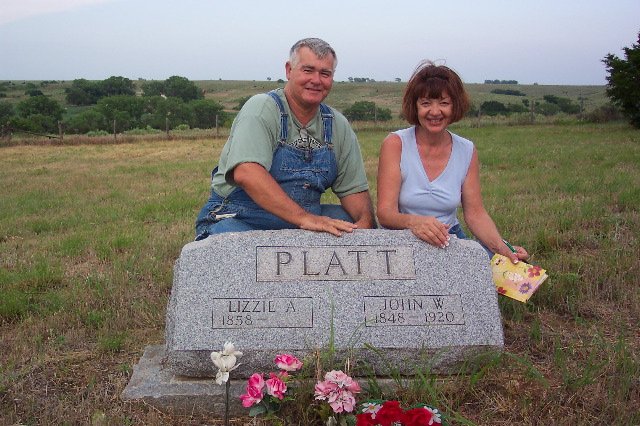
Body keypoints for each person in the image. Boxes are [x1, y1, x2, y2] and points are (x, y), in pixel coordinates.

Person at [195, 38, 375, 240]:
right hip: (241, 216)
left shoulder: (337, 124)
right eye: (308, 70)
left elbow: (354, 191)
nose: (316, 80)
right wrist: (305, 218)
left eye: (325, 73)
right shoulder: (262, 108)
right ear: (289, 70)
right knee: (236, 251)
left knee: (348, 222)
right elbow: (247, 173)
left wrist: (364, 229)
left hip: (305, 218)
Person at [376, 61, 528, 263]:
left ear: (455, 106)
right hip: (402, 236)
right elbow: (385, 214)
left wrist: (502, 247)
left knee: (511, 266)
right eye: (426, 103)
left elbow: (475, 214)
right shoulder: (395, 144)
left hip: (449, 237)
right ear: (415, 106)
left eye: (444, 103)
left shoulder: (467, 150)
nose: (435, 112)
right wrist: (415, 223)